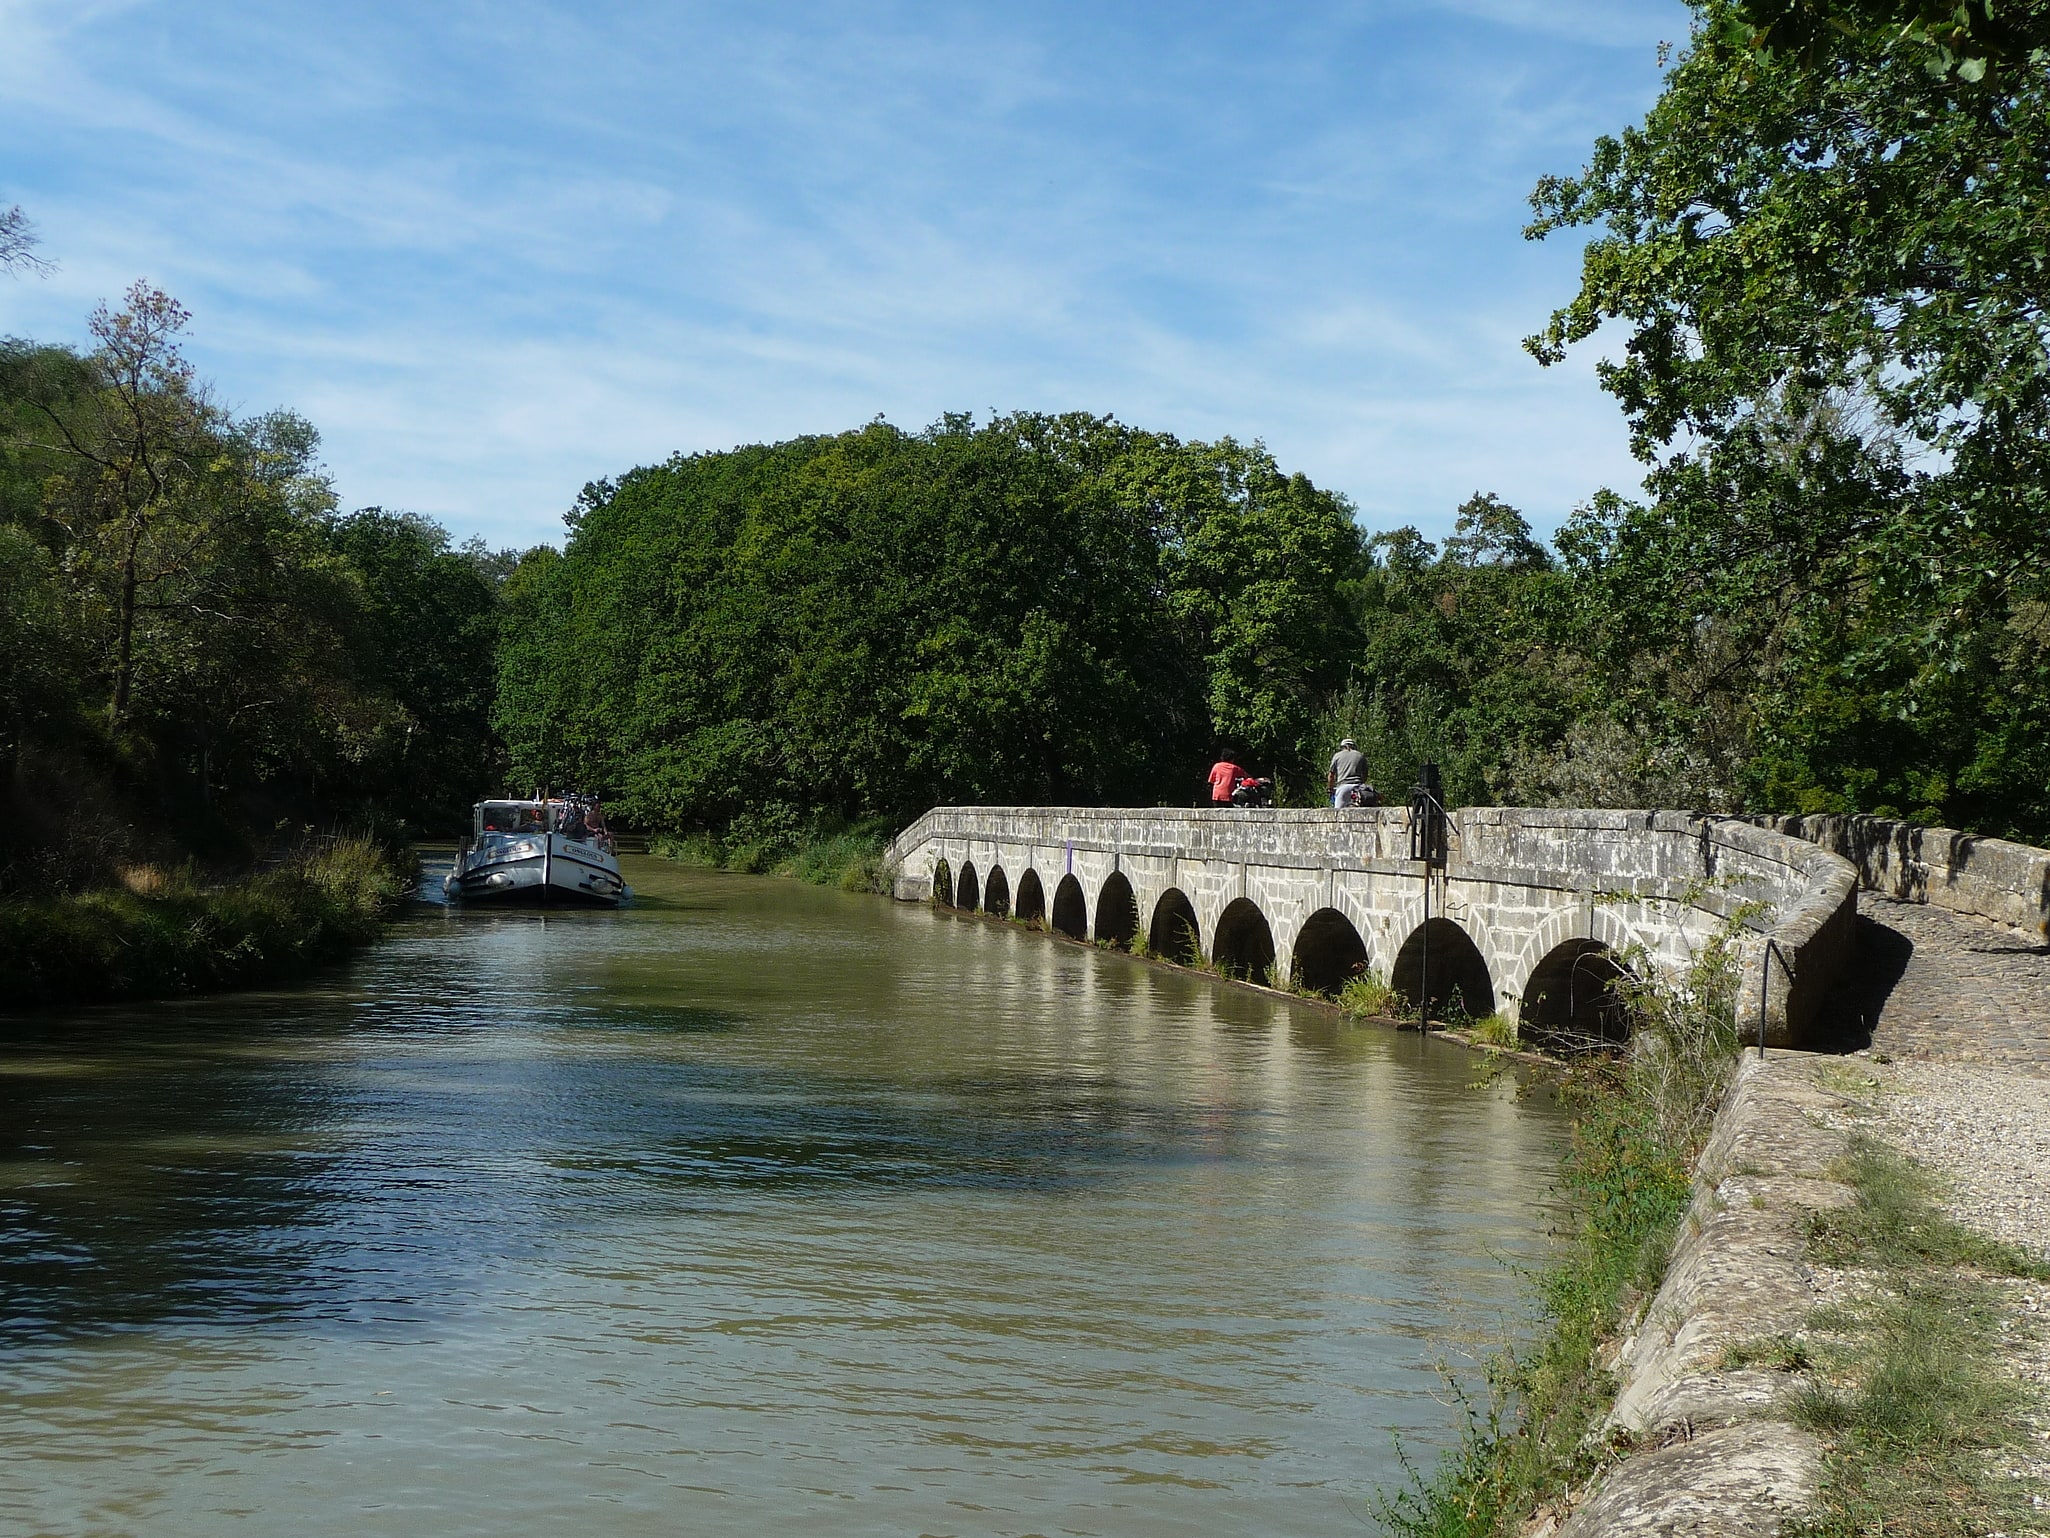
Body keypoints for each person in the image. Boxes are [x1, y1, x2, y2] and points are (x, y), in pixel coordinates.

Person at [1328, 737, 1368, 808]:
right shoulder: (1360, 755)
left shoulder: (1337, 756)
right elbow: (1365, 775)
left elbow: (1331, 775)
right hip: (1359, 788)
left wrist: (1330, 789)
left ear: (1342, 747)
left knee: (1337, 814)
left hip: (1343, 788)